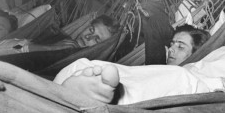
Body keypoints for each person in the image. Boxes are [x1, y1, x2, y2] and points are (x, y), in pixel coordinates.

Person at [54, 25, 213, 104]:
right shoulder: (158, 67)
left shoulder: (187, 74)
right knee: (89, 65)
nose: (171, 49)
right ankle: (87, 84)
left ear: (196, 53)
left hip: (177, 80)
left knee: (180, 75)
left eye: (180, 46)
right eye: (172, 44)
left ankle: (101, 92)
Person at [0, 15, 119, 56]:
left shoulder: (77, 63)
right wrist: (50, 47)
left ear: (102, 48)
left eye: (96, 39)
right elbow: (2, 48)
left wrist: (50, 48)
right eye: (91, 30)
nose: (87, 37)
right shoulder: (61, 39)